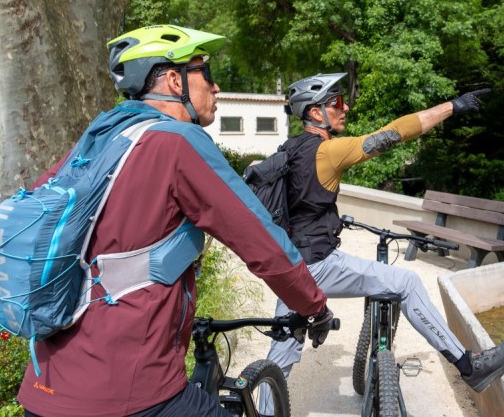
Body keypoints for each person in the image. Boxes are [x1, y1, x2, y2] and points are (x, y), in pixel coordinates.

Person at [17, 25, 334, 417]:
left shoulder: (97, 138)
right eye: (207, 73)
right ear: (173, 80)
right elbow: (262, 241)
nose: (216, 88)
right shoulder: (179, 142)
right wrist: (314, 306)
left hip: (43, 385)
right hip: (129, 393)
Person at [263, 72, 504, 404]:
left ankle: (259, 410)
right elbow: (393, 134)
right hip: (319, 264)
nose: (346, 107)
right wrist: (451, 107)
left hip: (292, 267)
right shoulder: (327, 152)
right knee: (408, 282)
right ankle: (471, 366)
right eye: (337, 102)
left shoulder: (289, 149)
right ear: (315, 113)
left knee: (280, 357)